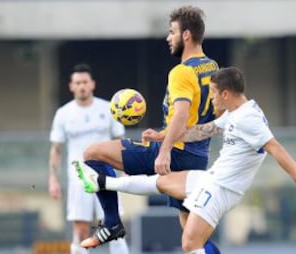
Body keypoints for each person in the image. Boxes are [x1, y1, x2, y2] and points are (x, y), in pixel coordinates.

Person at [75, 67, 296, 254]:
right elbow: (203, 130)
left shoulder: (249, 119)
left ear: (226, 94)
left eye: (214, 94)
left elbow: (276, 148)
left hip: (221, 189)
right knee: (162, 182)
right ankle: (101, 182)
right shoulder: (237, 112)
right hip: (211, 179)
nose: (212, 99)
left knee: (190, 244)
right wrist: (162, 136)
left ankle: (101, 182)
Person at [76, 5, 221, 253]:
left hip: (175, 153)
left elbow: (184, 112)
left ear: (186, 35)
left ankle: (112, 223)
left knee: (92, 153)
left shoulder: (181, 72)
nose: (168, 37)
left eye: (172, 32)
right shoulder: (211, 67)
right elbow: (197, 118)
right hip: (197, 157)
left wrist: (164, 149)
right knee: (193, 239)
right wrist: (163, 133)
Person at [48, 63, 129, 254]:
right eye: (77, 83)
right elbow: (56, 149)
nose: (81, 86)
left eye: (85, 82)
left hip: (106, 176)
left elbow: (120, 142)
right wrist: (53, 178)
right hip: (79, 179)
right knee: (81, 230)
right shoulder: (63, 114)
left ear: (92, 84)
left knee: (114, 227)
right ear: (71, 86)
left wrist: (126, 169)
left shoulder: (108, 108)